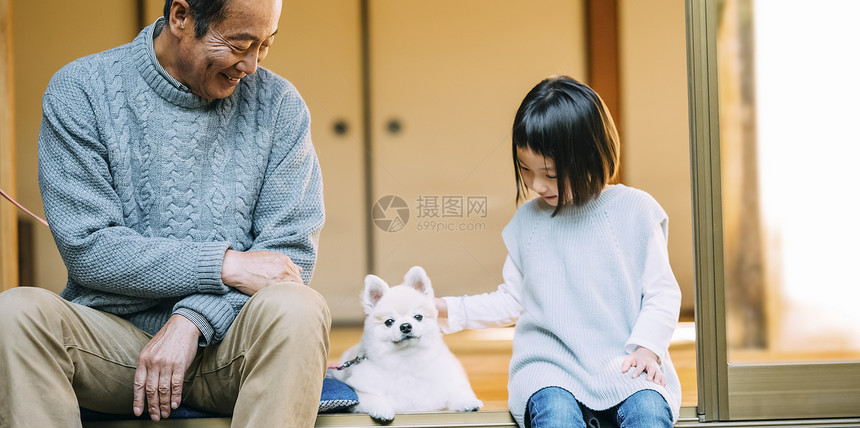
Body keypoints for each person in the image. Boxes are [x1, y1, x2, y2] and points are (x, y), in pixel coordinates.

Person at [0, 0, 330, 426]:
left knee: (298, 307)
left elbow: (287, 259)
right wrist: (223, 265)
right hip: (116, 348)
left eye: (265, 45)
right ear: (180, 18)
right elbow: (91, 249)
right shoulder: (81, 89)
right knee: (15, 314)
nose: (250, 64)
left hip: (231, 347)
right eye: (239, 44)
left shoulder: (279, 105)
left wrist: (191, 321)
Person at [436, 76, 682, 428]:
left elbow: (662, 292)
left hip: (624, 361)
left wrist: (648, 348)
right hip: (549, 368)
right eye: (526, 170)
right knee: (556, 414)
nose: (536, 185)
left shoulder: (635, 210)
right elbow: (511, 301)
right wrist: (445, 309)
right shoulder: (528, 222)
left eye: (550, 173)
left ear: (591, 156)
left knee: (647, 411)